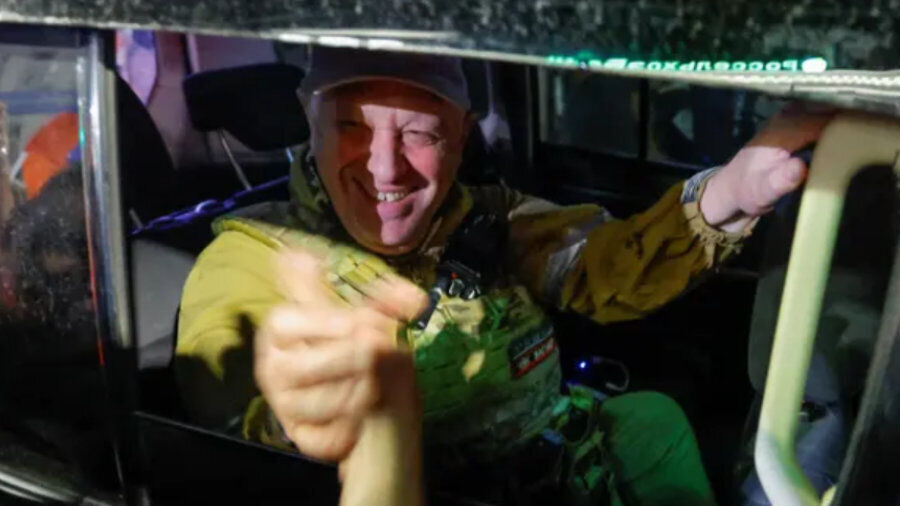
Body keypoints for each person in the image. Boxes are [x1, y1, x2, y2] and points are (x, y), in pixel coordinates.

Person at [174, 46, 832, 505]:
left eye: (419, 134)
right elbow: (223, 455)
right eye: (351, 126)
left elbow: (604, 264)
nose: (384, 167)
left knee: (649, 420)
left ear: (461, 135)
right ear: (308, 120)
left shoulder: (488, 216)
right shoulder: (252, 260)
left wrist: (730, 195)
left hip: (551, 461)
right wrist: (312, 419)